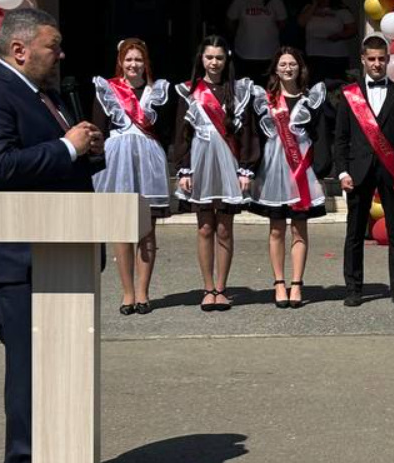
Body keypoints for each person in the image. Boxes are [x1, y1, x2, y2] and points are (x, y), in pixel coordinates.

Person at [0, 8, 105, 463]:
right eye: (52, 46)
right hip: (16, 258)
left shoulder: (47, 95)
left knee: (60, 371)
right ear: (19, 49)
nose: (60, 55)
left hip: (61, 251)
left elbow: (55, 162)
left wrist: (86, 148)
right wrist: (66, 146)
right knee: (30, 370)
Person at [90, 38, 172, 315]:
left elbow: (166, 131)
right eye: (129, 59)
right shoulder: (108, 89)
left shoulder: (157, 91)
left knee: (147, 229)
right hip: (118, 162)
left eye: (138, 59)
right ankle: (127, 293)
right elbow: (98, 129)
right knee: (122, 229)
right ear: (120, 62)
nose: (133, 64)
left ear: (145, 62)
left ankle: (143, 292)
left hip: (148, 161)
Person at [334, 36, 394, 308]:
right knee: (355, 233)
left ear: (388, 59)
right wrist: (342, 172)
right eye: (371, 59)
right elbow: (341, 138)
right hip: (358, 171)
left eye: (381, 58)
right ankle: (353, 289)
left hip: (392, 172)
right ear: (363, 59)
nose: (377, 64)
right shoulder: (350, 94)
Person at [172, 35, 254, 312]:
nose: (214, 62)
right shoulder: (189, 90)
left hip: (229, 161)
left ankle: (221, 288)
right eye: (209, 57)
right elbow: (182, 133)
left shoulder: (239, 91)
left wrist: (246, 168)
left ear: (226, 60)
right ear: (201, 59)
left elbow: (246, 133)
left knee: (224, 228)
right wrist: (183, 168)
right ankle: (207, 288)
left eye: (219, 57)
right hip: (201, 160)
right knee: (205, 226)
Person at [248, 46, 329, 309]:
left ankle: (297, 283)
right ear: (275, 68)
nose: (287, 68)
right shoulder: (266, 100)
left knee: (299, 228)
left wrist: (321, 169)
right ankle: (279, 283)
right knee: (276, 229)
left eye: (292, 64)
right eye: (283, 64)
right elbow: (257, 136)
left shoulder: (311, 98)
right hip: (273, 170)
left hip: (301, 170)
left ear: (300, 67)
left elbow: (319, 134)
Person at [226, 0, 287, 81]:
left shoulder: (275, 1)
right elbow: (230, 22)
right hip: (244, 53)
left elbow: (282, 24)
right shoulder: (240, 1)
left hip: (269, 54)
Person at [299, 0, 357, 86]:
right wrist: (313, 6)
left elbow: (352, 29)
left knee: (337, 85)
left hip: (336, 55)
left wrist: (339, 36)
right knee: (315, 85)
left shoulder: (341, 10)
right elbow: (301, 23)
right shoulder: (308, 9)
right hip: (314, 53)